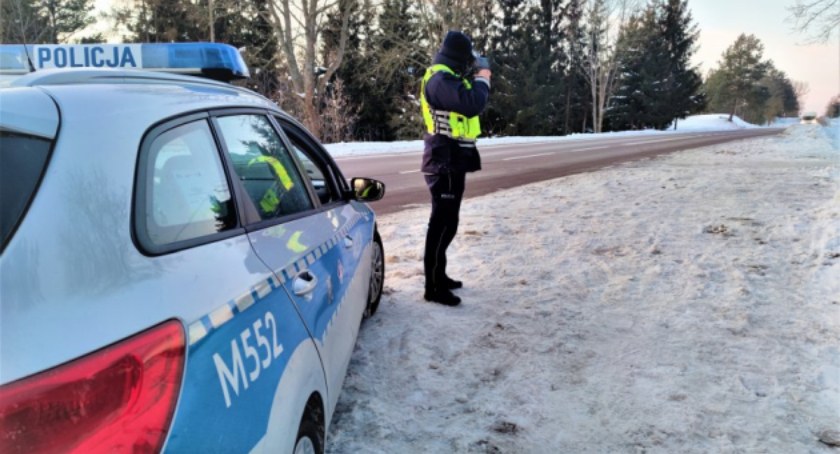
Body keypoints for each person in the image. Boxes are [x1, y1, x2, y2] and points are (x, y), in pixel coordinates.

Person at [419, 30, 491, 306]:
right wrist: (483, 79)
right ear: (459, 56)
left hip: (450, 158)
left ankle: (440, 274)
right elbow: (472, 104)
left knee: (449, 222)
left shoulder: (448, 77)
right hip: (442, 160)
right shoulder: (440, 79)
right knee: (441, 224)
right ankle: (432, 287)